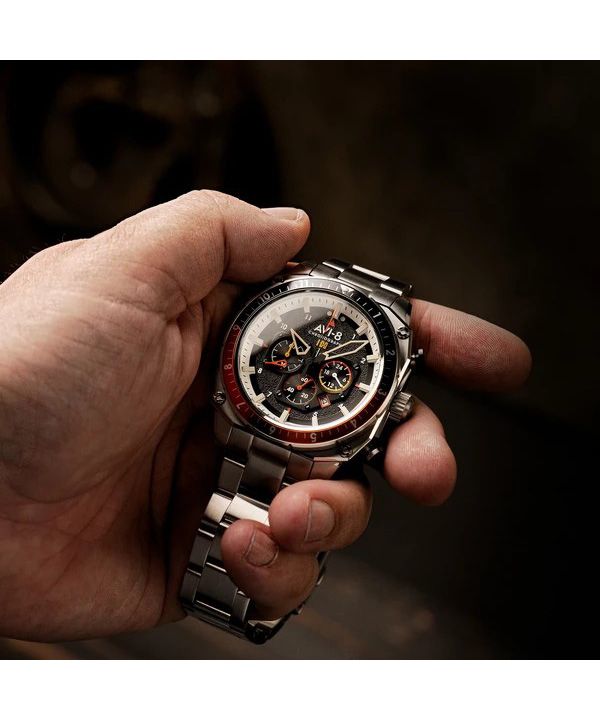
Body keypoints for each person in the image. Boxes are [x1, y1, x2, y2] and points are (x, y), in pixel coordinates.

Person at [0, 191, 531, 641]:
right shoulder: (244, 352)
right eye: (298, 347)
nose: (313, 362)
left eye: (335, 371)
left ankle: (222, 597)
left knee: (283, 530)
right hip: (239, 417)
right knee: (278, 531)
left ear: (387, 406)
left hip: (288, 437)